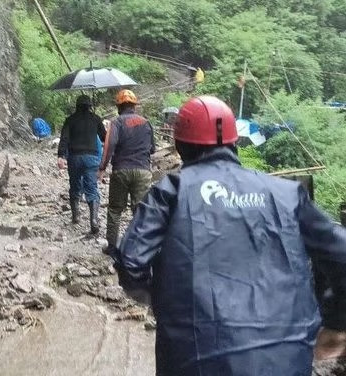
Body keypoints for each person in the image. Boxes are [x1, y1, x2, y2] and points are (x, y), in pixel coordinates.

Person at [115, 95, 346, 375]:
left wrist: (160, 300)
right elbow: (340, 255)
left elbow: (131, 263)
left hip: (195, 357)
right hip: (287, 357)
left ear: (180, 146)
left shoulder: (171, 191)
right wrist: (335, 321)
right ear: (234, 142)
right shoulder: (286, 194)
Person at [99, 89, 155, 255]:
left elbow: (109, 146)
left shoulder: (116, 123)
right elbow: (152, 149)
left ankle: (112, 247)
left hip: (121, 170)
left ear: (119, 107)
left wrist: (102, 168)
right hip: (143, 171)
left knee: (115, 210)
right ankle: (140, 248)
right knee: (140, 210)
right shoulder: (146, 123)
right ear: (134, 106)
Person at [57, 94, 106, 234]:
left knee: (75, 185)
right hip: (91, 158)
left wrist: (61, 156)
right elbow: (104, 137)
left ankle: (76, 216)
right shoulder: (95, 119)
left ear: (77, 106)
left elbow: (64, 139)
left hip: (74, 157)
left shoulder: (70, 120)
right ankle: (94, 221)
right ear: (90, 106)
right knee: (91, 188)